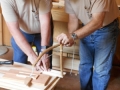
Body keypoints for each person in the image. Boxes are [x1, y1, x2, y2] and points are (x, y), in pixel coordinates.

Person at [56, 0, 120, 90]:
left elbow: (97, 22)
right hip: (86, 27)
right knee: (84, 66)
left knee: (101, 70)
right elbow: (73, 19)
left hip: (106, 29)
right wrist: (70, 37)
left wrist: (73, 36)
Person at [0, 0, 53, 71]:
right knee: (19, 65)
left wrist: (44, 50)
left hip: (43, 32)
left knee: (45, 63)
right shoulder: (6, 1)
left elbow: (45, 22)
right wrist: (31, 55)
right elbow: (14, 30)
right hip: (22, 32)